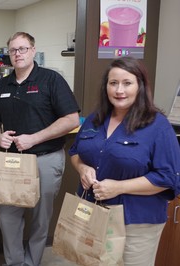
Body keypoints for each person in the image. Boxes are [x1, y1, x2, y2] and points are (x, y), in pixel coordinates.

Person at [69, 57, 180, 265]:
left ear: (140, 86)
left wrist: (119, 187)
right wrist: (82, 168)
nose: (119, 90)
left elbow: (167, 178)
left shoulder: (158, 126)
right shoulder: (94, 119)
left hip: (135, 223)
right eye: (113, 83)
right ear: (106, 87)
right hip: (92, 214)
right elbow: (75, 151)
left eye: (127, 83)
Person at [0, 32, 80, 266]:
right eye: (13, 50)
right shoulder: (3, 84)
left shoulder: (51, 80)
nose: (18, 54)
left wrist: (34, 138)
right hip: (12, 162)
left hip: (45, 159)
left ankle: (32, 262)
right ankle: (15, 263)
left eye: (23, 48)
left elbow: (71, 119)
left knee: (40, 219)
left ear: (33, 50)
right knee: (7, 217)